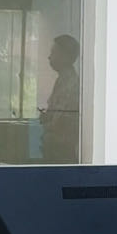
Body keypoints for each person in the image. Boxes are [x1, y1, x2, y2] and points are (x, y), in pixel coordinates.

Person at [40, 34, 81, 163]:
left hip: (62, 153)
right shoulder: (61, 80)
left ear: (65, 56)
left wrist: (48, 122)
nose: (49, 57)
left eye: (54, 52)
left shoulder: (72, 84)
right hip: (55, 150)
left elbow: (60, 122)